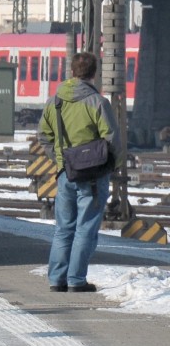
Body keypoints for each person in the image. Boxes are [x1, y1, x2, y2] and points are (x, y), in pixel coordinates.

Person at [38, 51, 117, 293]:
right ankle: (76, 280)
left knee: (63, 228)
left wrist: (62, 160)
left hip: (66, 174)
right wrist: (108, 168)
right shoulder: (98, 103)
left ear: (72, 72)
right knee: (86, 228)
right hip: (93, 177)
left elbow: (44, 136)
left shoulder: (54, 102)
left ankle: (56, 279)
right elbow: (113, 141)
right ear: (94, 74)